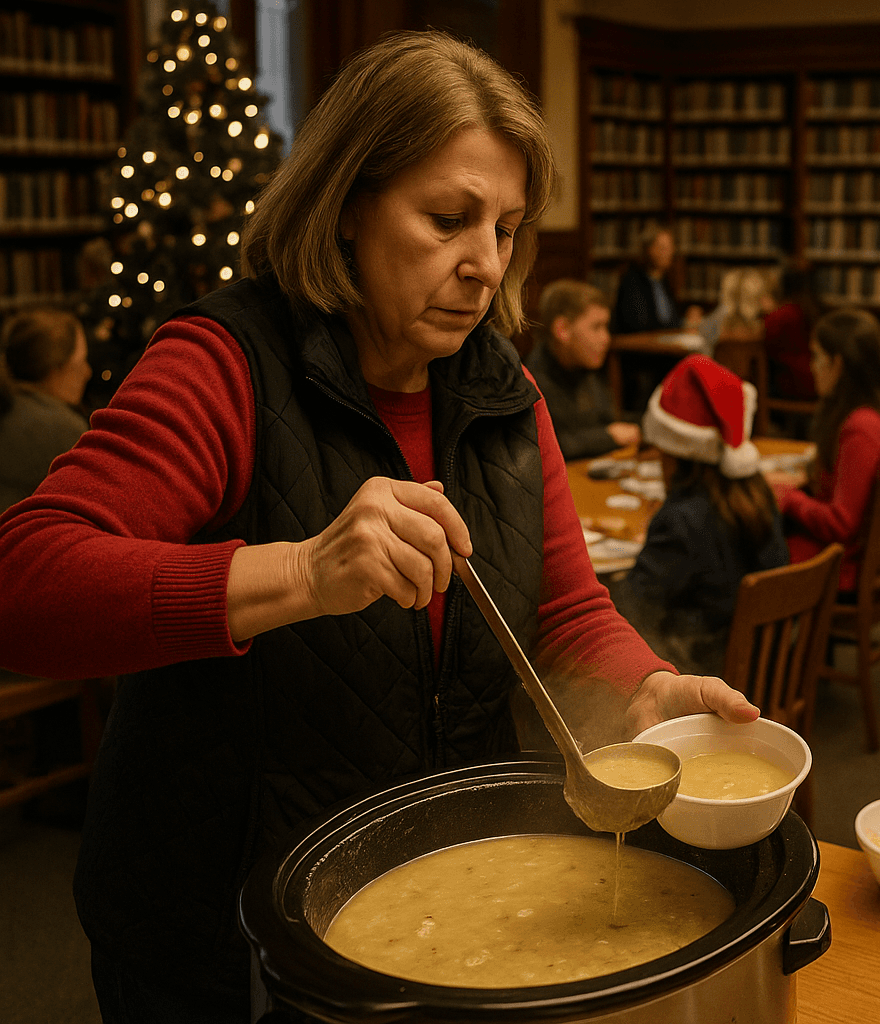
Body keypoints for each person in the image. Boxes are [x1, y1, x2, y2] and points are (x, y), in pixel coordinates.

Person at [0, 33, 756, 1021]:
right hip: (225, 943)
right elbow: (24, 584)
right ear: (348, 201)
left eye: (507, 228)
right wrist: (300, 574)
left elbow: (564, 608)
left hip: (439, 905)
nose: (486, 265)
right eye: (449, 218)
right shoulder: (226, 364)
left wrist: (644, 683)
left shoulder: (505, 392)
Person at [611, 355, 789, 676]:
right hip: (764, 662)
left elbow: (634, 609)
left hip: (705, 670)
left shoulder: (680, 521)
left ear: (677, 451)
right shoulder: (757, 492)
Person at [768, 308, 880, 593]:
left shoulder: (860, 427)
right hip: (853, 555)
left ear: (837, 364)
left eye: (815, 356)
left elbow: (841, 523)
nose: (811, 366)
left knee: (743, 558)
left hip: (842, 565)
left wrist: (790, 498)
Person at [523, 278, 639, 460]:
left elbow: (608, 421)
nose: (606, 338)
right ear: (563, 329)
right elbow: (548, 446)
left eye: (606, 327)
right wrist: (608, 437)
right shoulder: (531, 382)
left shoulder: (586, 369)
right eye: (596, 327)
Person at [0, 308, 91, 510]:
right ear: (54, 369)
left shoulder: (10, 408)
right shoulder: (64, 431)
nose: (88, 372)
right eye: (80, 362)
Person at [611, 224, 701, 335]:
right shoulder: (632, 282)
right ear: (648, 249)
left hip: (664, 342)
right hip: (642, 347)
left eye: (670, 247)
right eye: (663, 248)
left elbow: (670, 319)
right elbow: (640, 324)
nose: (669, 253)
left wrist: (687, 321)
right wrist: (683, 325)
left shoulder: (663, 281)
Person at [763, 260, 822, 403]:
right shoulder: (815, 309)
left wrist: (766, 313)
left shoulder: (784, 314)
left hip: (793, 383)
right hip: (815, 377)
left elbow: (767, 344)